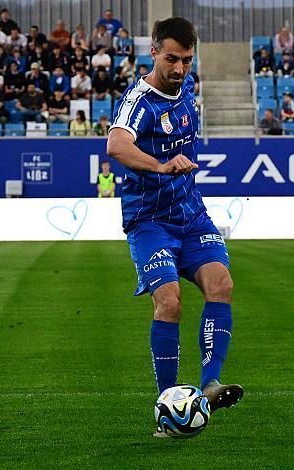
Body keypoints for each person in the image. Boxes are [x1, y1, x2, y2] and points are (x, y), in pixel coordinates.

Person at [105, 18, 243, 438]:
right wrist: (161, 165)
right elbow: (116, 144)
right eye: (171, 59)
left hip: (190, 213)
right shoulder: (137, 100)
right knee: (170, 302)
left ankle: (209, 384)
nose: (180, 68)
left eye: (186, 59)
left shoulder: (186, 94)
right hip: (149, 222)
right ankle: (169, 403)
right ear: (153, 52)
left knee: (221, 284)